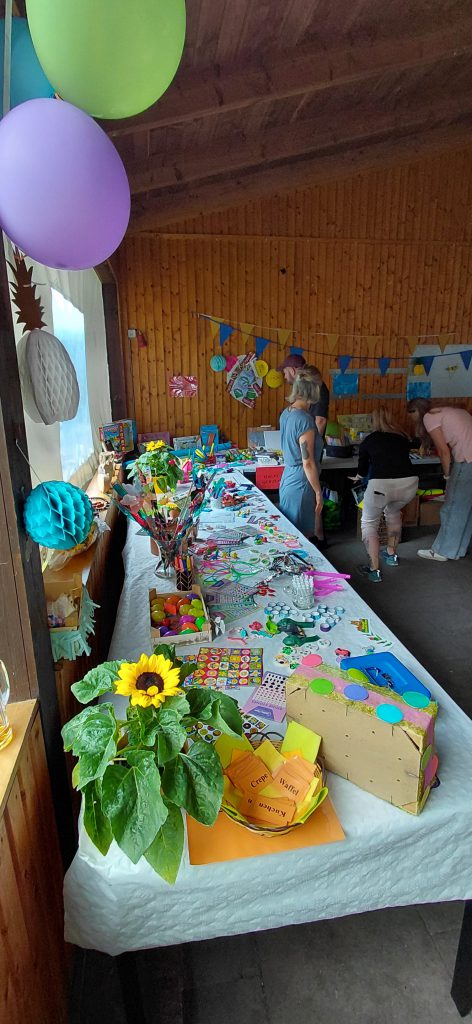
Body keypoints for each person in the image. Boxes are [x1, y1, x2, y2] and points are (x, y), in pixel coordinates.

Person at [351, 407, 419, 582]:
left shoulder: (369, 440)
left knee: (369, 524)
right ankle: (391, 554)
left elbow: (362, 469)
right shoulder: (402, 438)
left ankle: (374, 570)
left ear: (373, 421)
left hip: (381, 486)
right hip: (409, 484)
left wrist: (357, 477)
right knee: (393, 513)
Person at [407, 399, 472, 561]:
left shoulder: (430, 417)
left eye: (411, 415)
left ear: (416, 411)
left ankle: (442, 551)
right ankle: (457, 550)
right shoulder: (454, 410)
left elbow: (444, 452)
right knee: (466, 508)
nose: (413, 420)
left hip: (467, 460)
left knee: (451, 507)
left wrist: (447, 476)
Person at [279, 370, 323, 541]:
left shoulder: (287, 413)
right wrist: (318, 492)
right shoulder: (304, 420)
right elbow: (308, 462)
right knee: (301, 539)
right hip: (302, 482)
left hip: (288, 477)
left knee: (292, 534)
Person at [278, 354, 330, 462]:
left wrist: (312, 452)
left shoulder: (316, 387)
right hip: (298, 456)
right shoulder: (301, 392)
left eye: (285, 372)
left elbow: (320, 420)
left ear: (292, 370)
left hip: (305, 457)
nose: (285, 376)